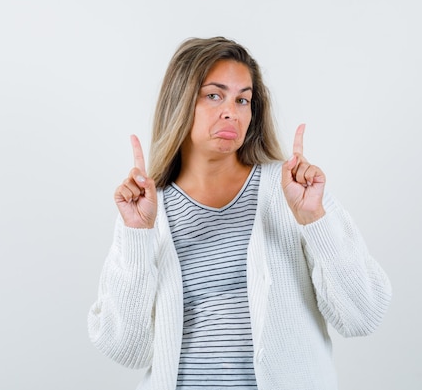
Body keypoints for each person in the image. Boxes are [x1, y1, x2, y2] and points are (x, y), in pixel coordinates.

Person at [87, 36, 392, 390]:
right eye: (214, 95)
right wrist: (138, 237)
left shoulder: (292, 191)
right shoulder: (146, 208)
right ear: (180, 102)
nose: (231, 110)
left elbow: (363, 316)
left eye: (243, 99)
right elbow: (126, 350)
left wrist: (315, 220)